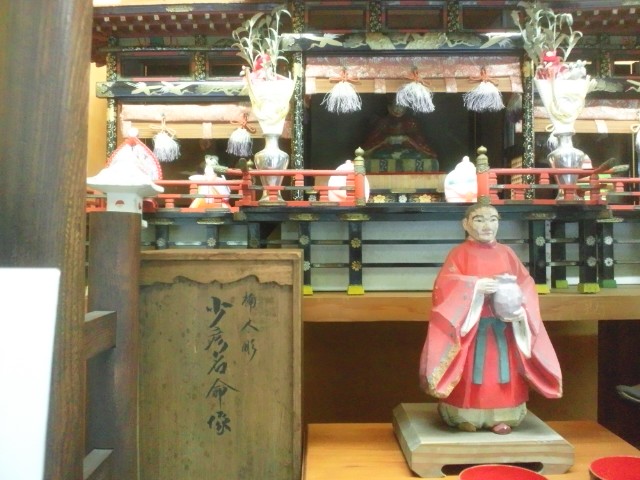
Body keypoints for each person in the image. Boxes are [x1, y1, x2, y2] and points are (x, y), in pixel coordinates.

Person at [419, 202, 562, 434]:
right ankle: (464, 416)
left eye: (493, 219)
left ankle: (504, 416)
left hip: (504, 330)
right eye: (479, 219)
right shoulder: (459, 254)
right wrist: (475, 286)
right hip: (472, 330)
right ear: (465, 224)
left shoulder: (507, 253)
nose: (487, 225)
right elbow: (444, 286)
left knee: (502, 373)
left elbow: (526, 283)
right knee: (469, 372)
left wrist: (516, 302)